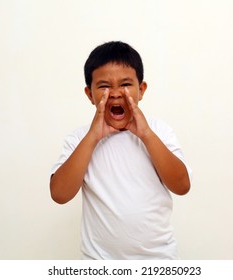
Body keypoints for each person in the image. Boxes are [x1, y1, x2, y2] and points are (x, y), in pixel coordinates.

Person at [50, 41, 192, 259]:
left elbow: (182, 185)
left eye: (125, 84)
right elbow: (59, 194)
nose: (115, 93)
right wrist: (92, 137)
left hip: (158, 260)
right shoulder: (80, 139)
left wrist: (146, 135)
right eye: (104, 86)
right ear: (89, 95)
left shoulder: (158, 132)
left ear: (141, 90)